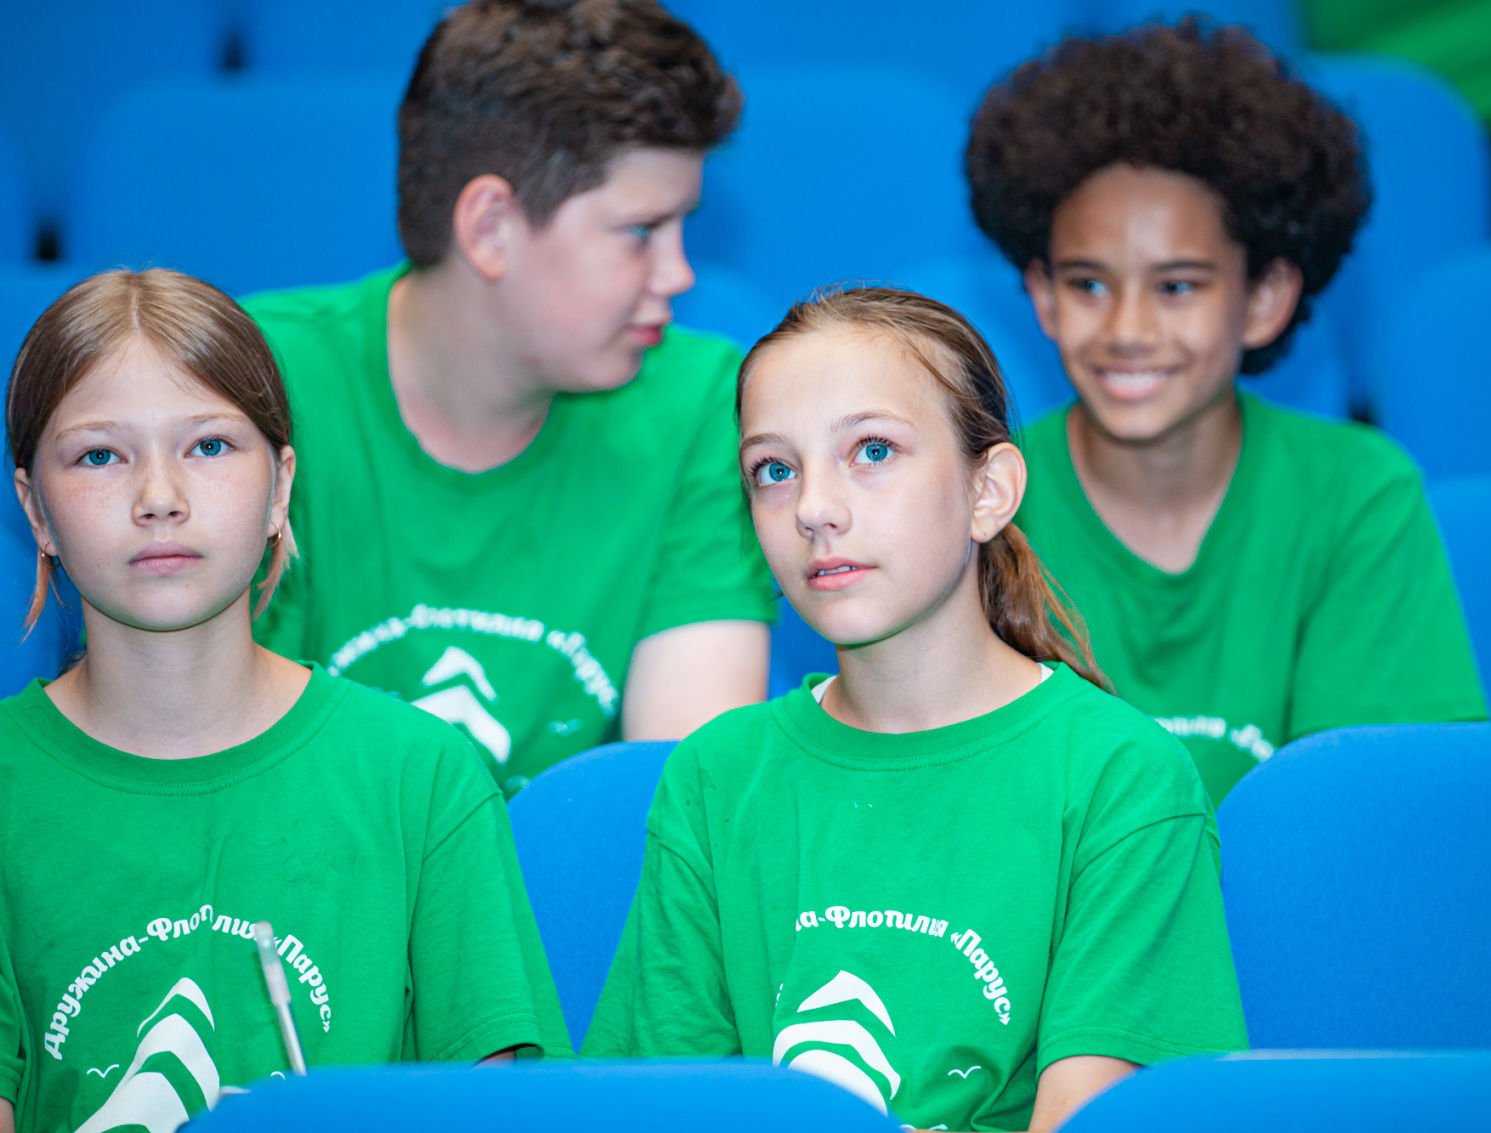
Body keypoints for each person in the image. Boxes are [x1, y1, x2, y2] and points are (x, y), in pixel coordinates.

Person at [584, 287, 1246, 1133]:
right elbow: (662, 1108)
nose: (814, 508)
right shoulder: (714, 776)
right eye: (774, 470)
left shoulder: (1123, 778)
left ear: (989, 490)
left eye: (872, 450)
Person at [0, 270, 571, 1133]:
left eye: (209, 446)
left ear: (279, 488)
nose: (160, 498)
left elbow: (499, 1112)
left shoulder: (422, 777)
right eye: (100, 456)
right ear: (35, 510)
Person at [243, 0, 774, 796]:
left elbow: (680, 804)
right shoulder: (252, 382)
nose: (679, 274)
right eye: (641, 232)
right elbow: (228, 775)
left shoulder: (703, 402)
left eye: (681, 229)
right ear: (491, 228)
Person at [965, 19, 1489, 804]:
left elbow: (1379, 813)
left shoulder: (1356, 493)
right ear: (1042, 294)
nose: (1127, 329)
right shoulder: (981, 508)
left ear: (1265, 298)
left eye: (1177, 286)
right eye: (1088, 284)